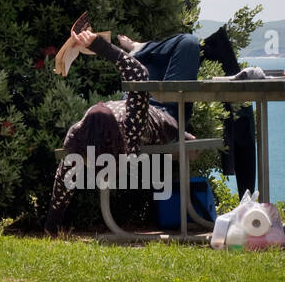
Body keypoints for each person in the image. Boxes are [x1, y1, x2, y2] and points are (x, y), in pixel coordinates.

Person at [43, 24, 193, 233]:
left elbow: (139, 74)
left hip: (143, 102)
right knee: (184, 45)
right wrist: (52, 226)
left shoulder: (102, 129)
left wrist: (98, 44)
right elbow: (65, 177)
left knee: (187, 43)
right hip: (161, 110)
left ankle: (139, 48)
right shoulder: (84, 133)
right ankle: (139, 49)